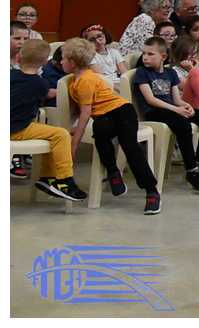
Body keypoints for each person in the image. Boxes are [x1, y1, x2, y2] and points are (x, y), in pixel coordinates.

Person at [61, 37, 161, 214]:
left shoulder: (85, 80)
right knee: (100, 131)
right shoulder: (75, 81)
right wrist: (73, 128)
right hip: (104, 115)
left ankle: (151, 190)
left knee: (130, 146)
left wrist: (73, 145)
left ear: (72, 62)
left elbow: (85, 114)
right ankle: (113, 172)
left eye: (63, 58)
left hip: (122, 111)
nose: (60, 62)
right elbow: (82, 109)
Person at [130, 37, 199, 192]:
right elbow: (151, 99)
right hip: (154, 112)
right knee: (182, 123)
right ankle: (191, 169)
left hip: (171, 109)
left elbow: (176, 99)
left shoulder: (170, 73)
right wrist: (176, 110)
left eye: (150, 54)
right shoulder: (142, 73)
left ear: (163, 57)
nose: (145, 57)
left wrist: (186, 106)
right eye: (144, 54)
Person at [11, 39, 89, 201]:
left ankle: (47, 177)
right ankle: (65, 180)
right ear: (44, 62)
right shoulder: (40, 83)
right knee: (60, 134)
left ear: (18, 58)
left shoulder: (10, 75)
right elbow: (46, 95)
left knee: (48, 133)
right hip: (16, 129)